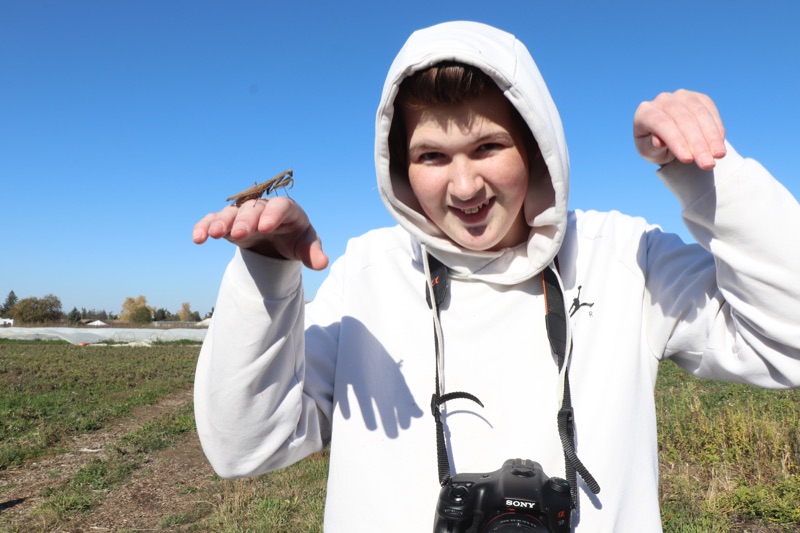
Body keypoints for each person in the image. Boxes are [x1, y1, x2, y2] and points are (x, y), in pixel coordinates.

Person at [191, 20, 800, 532]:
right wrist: (266, 273)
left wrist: (707, 172)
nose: (464, 187)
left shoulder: (623, 257)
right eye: (432, 156)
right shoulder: (368, 275)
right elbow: (245, 446)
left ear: (536, 149)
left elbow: (789, 343)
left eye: (488, 147)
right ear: (401, 169)